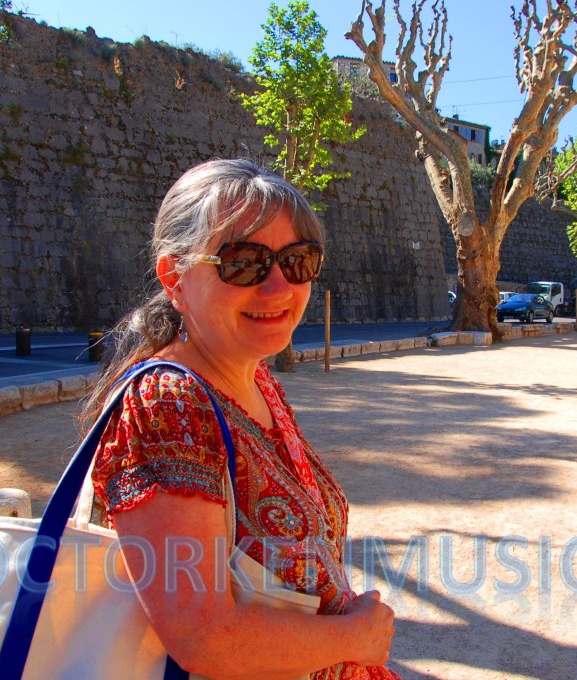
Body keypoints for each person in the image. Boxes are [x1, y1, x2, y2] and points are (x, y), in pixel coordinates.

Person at [81, 159, 399, 679]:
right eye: (244, 263)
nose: (278, 288)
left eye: (297, 261)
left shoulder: (257, 381)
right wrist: (356, 637)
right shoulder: (169, 405)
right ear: (175, 277)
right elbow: (203, 636)